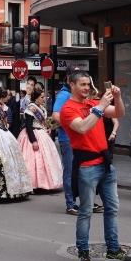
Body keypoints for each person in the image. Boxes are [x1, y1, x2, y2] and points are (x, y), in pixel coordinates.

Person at [59, 71, 131, 261]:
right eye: (82, 84)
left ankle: (113, 249)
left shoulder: (92, 103)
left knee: (112, 208)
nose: (86, 88)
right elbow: (82, 128)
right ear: (72, 85)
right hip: (87, 167)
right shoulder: (68, 109)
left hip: (106, 164)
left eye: (88, 84)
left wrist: (117, 98)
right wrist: (100, 105)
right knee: (85, 211)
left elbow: (119, 114)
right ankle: (83, 252)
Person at [18, 89, 64, 191]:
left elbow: (45, 123)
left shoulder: (42, 108)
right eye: (42, 97)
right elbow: (29, 126)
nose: (44, 99)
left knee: (45, 160)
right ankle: (33, 184)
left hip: (42, 134)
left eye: (44, 97)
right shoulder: (30, 108)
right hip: (32, 135)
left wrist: (48, 128)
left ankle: (44, 183)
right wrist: (33, 141)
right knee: (32, 160)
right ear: (36, 98)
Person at [52, 76, 79, 214]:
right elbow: (56, 115)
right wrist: (73, 126)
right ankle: (71, 203)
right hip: (67, 139)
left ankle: (82, 201)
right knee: (69, 171)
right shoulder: (64, 95)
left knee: (79, 171)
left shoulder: (74, 95)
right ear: (69, 80)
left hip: (77, 138)